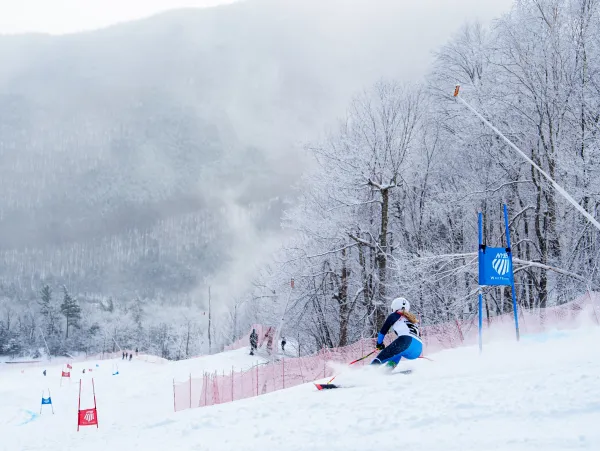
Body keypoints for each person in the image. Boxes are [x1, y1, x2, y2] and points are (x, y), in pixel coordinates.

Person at [371, 297, 422, 369]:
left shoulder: (394, 315)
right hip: (418, 348)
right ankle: (387, 369)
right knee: (398, 353)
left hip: (406, 341)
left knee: (381, 357)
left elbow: (382, 332)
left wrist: (379, 344)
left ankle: (369, 371)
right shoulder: (412, 319)